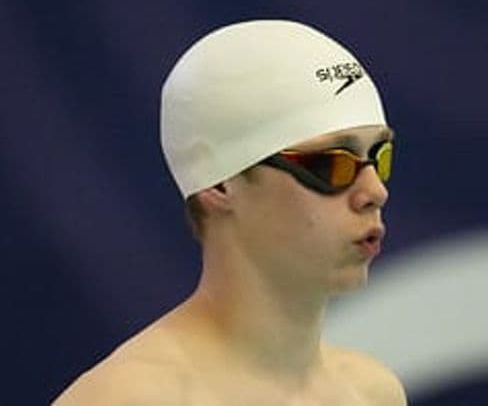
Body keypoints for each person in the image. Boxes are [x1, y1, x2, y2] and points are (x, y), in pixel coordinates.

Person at [53, 20, 407, 405]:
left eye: (380, 157)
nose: (375, 191)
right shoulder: (128, 399)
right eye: (332, 164)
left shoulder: (371, 392)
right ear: (220, 183)